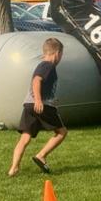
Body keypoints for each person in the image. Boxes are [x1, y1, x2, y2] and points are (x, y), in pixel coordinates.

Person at [8, 37, 67, 177]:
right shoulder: (48, 65)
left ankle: (14, 168)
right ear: (57, 53)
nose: (61, 58)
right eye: (61, 55)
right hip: (40, 105)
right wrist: (39, 100)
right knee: (62, 132)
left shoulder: (43, 65)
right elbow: (36, 80)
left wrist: (48, 99)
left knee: (25, 137)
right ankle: (41, 155)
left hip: (29, 104)